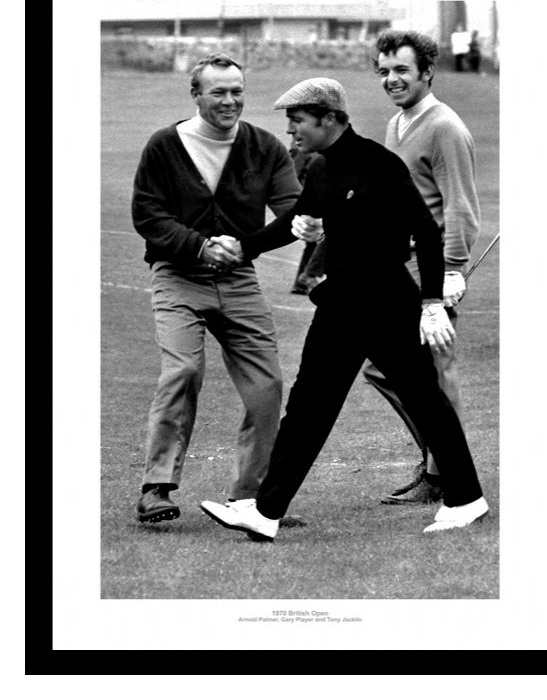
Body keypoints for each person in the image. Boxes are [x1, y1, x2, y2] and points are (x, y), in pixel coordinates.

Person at [199, 77, 489, 540]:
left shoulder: (381, 165)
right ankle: (267, 511)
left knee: (424, 399)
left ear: (329, 118)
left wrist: (432, 301)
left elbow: (427, 232)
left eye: (298, 121)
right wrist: (243, 248)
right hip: (342, 303)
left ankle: (466, 499)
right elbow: (298, 220)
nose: (291, 131)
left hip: (388, 302)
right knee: (309, 404)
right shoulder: (321, 168)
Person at [131, 53, 302, 524]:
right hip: (177, 275)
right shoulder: (165, 145)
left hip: (239, 279)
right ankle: (156, 487)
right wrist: (200, 247)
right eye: (218, 92)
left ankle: (251, 497)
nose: (230, 101)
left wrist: (246, 245)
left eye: (237, 92)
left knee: (267, 384)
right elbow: (148, 216)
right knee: (182, 371)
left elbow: (293, 211)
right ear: (196, 95)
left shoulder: (265, 147)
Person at [366, 29, 481, 505]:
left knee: (434, 370)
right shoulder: (399, 122)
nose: (392, 80)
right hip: (398, 266)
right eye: (385, 71)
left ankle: (448, 474)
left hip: (430, 271)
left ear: (428, 72)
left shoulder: (445, 127)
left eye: (401, 71)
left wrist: (452, 270)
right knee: (386, 368)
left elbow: (461, 207)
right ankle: (440, 464)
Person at [289, 143, 326, 295]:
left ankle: (302, 281)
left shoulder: (324, 150)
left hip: (323, 201)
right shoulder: (302, 150)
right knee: (318, 240)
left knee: (314, 243)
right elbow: (292, 176)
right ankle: (307, 276)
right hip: (311, 202)